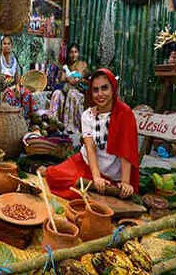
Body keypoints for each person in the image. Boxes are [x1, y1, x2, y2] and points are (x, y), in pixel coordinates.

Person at [43, 68, 139, 199]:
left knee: (112, 192)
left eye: (104, 88)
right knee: (53, 176)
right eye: (95, 90)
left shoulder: (125, 114)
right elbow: (90, 148)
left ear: (113, 89)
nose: (100, 94)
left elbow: (126, 150)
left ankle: (90, 188)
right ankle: (90, 187)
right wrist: (96, 177)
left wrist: (125, 182)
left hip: (111, 174)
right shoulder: (87, 115)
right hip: (87, 163)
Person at [49, 43, 89, 134]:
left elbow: (80, 80)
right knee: (57, 93)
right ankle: (54, 123)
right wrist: (69, 78)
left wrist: (74, 79)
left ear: (78, 53)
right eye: (71, 52)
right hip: (66, 90)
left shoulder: (82, 64)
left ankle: (71, 126)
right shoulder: (65, 66)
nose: (73, 54)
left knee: (72, 93)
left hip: (78, 92)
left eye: (75, 52)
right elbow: (62, 79)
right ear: (68, 54)